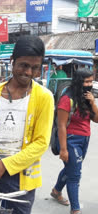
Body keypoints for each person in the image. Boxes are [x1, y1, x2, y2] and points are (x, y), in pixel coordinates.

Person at [0, 35, 54, 214]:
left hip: (21, 176)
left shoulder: (44, 97)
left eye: (35, 68)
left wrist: (5, 165)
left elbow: (41, 143)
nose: (29, 72)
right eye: (24, 65)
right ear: (12, 62)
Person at [51, 68, 98, 214]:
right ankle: (75, 210)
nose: (89, 84)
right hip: (70, 140)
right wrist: (64, 149)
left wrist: (93, 103)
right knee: (75, 175)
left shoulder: (87, 96)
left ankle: (56, 190)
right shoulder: (67, 99)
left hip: (85, 138)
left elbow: (96, 119)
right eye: (86, 81)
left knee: (71, 169)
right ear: (78, 81)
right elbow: (61, 126)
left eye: (91, 81)